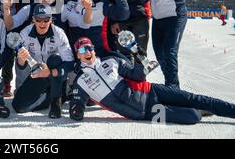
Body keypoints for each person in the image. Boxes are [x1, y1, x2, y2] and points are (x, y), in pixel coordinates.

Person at [69, 37, 235, 124]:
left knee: (194, 98)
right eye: (83, 49)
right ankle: (198, 110)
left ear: (94, 51)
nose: (87, 51)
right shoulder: (81, 82)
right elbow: (77, 110)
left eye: (89, 48)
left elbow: (137, 75)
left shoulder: (112, 61)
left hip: (150, 91)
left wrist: (141, 59)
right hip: (147, 113)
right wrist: (76, 112)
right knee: (192, 116)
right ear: (77, 54)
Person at [2, 0, 63, 97]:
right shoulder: (29, 9)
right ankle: (21, 88)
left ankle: (58, 91)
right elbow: (10, 25)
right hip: (32, 53)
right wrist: (6, 9)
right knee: (21, 55)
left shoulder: (62, 9)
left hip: (52, 53)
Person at [12, 4, 74, 119]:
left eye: (46, 19)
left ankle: (56, 101)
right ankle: (49, 97)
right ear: (33, 19)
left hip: (55, 75)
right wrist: (21, 59)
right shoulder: (25, 33)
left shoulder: (59, 33)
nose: (42, 23)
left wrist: (51, 72)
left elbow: (70, 64)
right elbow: (20, 67)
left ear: (51, 19)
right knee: (18, 107)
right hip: (37, 75)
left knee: (54, 59)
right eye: (38, 19)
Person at [61, 0, 129, 55]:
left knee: (126, 63)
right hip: (77, 54)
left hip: (99, 53)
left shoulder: (101, 5)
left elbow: (123, 15)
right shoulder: (69, 4)